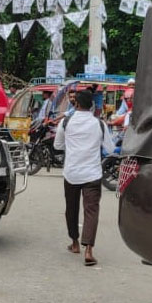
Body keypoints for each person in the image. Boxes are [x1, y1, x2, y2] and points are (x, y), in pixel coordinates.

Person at [54, 90, 116, 266]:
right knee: (91, 210)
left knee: (71, 209)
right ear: (92, 106)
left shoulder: (66, 122)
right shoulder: (99, 124)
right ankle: (89, 249)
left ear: (76, 105)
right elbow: (110, 150)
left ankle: (74, 243)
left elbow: (58, 145)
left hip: (72, 172)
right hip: (92, 174)